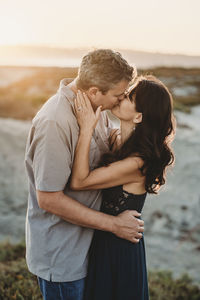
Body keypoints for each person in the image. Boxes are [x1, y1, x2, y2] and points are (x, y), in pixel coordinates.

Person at [24, 49, 144, 300]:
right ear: (93, 91)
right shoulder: (55, 121)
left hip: (89, 250)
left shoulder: (94, 108)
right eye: (117, 95)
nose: (120, 100)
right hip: (63, 256)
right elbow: (49, 198)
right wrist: (114, 225)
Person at [70, 75, 175, 300]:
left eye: (130, 97)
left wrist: (87, 129)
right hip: (105, 240)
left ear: (138, 116)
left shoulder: (137, 163)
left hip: (118, 250)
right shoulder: (118, 139)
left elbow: (79, 182)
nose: (121, 97)